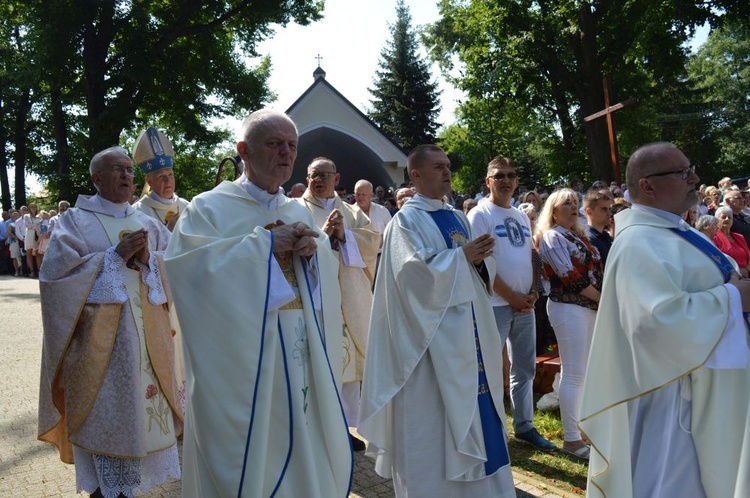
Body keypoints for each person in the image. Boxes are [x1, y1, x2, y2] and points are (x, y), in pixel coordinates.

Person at [164, 109, 352, 497]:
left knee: (303, 443)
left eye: (292, 145)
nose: (286, 153)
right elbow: (189, 274)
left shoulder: (294, 209)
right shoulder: (208, 208)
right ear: (243, 151)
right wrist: (265, 246)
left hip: (300, 352)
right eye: (274, 143)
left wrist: (314, 253)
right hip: (242, 364)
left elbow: (326, 280)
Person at [580, 142, 750, 497]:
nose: (695, 177)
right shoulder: (638, 244)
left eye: (690, 169)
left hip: (704, 387)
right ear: (647, 185)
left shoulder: (675, 231)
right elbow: (656, 323)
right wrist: (734, 298)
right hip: (670, 402)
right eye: (682, 172)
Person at [359, 145, 515, 498]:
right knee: (435, 424)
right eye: (438, 167)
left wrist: (478, 261)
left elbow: (476, 272)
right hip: (430, 346)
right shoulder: (406, 221)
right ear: (415, 175)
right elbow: (411, 277)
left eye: (448, 165)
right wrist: (461, 258)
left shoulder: (457, 216)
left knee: (478, 417)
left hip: (467, 338)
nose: (447, 172)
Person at [38, 146, 183, 498]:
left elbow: (176, 266)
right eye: (116, 170)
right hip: (103, 355)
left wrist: (152, 262)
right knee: (109, 456)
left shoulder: (146, 222)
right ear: (96, 178)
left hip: (149, 351)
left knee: (145, 444)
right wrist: (112, 259)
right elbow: (55, 280)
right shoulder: (75, 221)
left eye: (129, 171)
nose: (126, 176)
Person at [468, 156, 556, 452]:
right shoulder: (480, 215)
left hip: (525, 305)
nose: (506, 180)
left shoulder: (520, 215)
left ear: (517, 181)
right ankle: (493, 431)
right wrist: (512, 297)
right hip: (495, 304)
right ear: (488, 181)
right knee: (492, 369)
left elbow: (531, 254)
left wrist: (531, 292)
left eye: (511, 175)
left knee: (524, 367)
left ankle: (524, 426)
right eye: (499, 176)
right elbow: (481, 264)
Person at [297, 158, 380, 450]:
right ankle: (320, 428)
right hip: (317, 300)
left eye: (324, 175)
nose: (318, 180)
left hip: (349, 299)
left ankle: (343, 428)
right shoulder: (296, 209)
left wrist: (345, 234)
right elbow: (294, 252)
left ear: (337, 177)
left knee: (347, 372)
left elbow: (373, 243)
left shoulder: (351, 213)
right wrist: (323, 235)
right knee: (321, 365)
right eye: (312, 175)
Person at [535, 188, 603, 460]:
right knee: (573, 373)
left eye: (576, 202)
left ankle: (582, 429)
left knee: (584, 372)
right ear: (553, 209)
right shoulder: (552, 236)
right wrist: (603, 298)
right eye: (567, 203)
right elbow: (569, 276)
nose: (574, 207)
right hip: (569, 307)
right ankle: (572, 440)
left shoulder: (578, 236)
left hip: (589, 306)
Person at [133, 127, 189, 232]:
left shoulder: (186, 206)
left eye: (170, 175)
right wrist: (168, 230)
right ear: (149, 182)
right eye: (161, 176)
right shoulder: (138, 211)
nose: (168, 181)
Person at [354, 179, 392, 276]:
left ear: (371, 195)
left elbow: (392, 233)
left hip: (380, 258)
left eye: (364, 194)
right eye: (358, 194)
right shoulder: (348, 213)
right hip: (358, 261)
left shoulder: (382, 211)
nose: (360, 197)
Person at [713, 206, 750, 277]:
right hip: (728, 277)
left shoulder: (739, 236)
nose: (727, 219)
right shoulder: (714, 238)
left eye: (730, 217)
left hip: (746, 276)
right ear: (716, 220)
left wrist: (746, 270)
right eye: (724, 217)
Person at [583, 189, 614, 266]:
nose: (609, 213)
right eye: (604, 209)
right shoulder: (589, 240)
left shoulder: (605, 236)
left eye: (609, 209)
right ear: (589, 212)